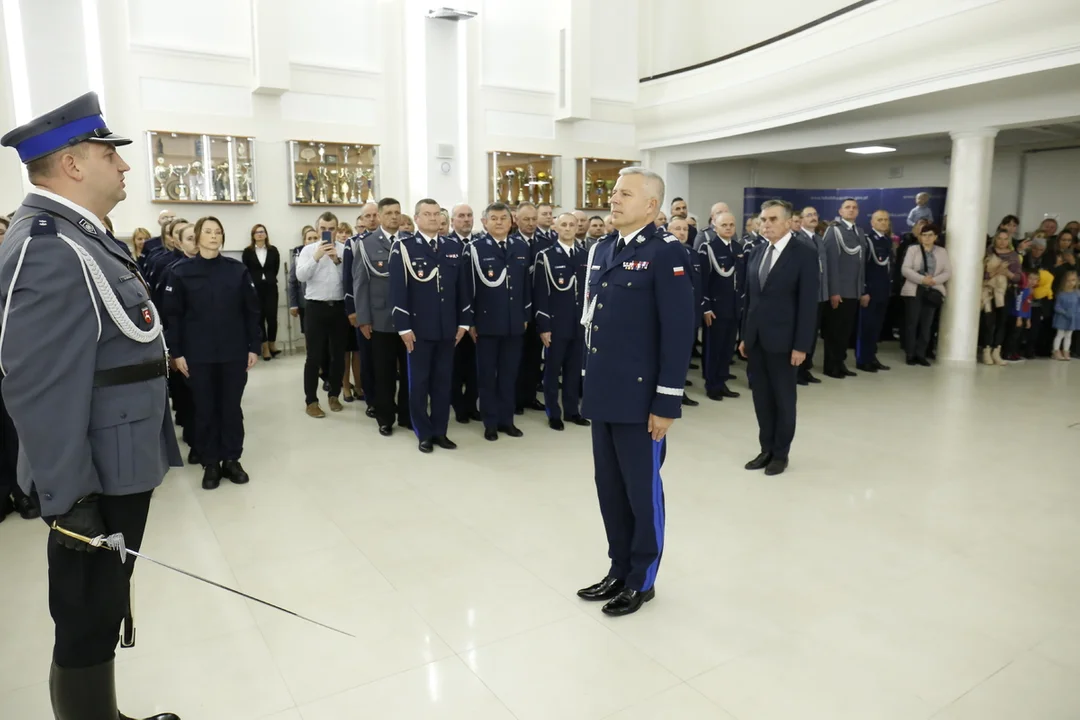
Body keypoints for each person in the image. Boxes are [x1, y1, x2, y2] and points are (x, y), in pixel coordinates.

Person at [0, 91, 182, 720]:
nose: (124, 165)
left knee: (101, 605)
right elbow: (36, 384)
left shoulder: (83, 236)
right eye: (111, 153)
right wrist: (72, 499)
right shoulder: (48, 242)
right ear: (74, 165)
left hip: (118, 458)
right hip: (92, 476)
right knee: (85, 613)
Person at [575, 167, 693, 617]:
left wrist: (666, 402)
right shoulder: (605, 247)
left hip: (642, 399)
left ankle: (642, 580)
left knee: (642, 493)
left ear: (651, 206)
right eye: (614, 192)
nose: (614, 199)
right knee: (609, 488)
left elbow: (678, 332)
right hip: (604, 392)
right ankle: (618, 567)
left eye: (625, 194)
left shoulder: (666, 253)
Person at [164, 217, 260, 489]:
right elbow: (174, 316)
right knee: (204, 409)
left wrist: (254, 346)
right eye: (207, 231)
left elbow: (251, 311)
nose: (213, 236)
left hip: (233, 352)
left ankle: (231, 458)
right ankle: (210, 463)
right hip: (198, 354)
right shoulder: (180, 272)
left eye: (218, 232)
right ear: (197, 236)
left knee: (231, 408)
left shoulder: (236, 270)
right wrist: (177, 352)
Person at [738, 200, 818, 477]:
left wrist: (801, 345)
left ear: (787, 222)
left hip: (785, 342)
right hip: (757, 340)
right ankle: (766, 448)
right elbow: (750, 300)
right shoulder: (758, 252)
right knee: (761, 398)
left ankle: (781, 454)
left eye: (772, 219)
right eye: (763, 219)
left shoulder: (804, 254)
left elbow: (808, 305)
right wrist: (745, 336)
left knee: (783, 399)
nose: (766, 224)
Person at [389, 199, 471, 452]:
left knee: (442, 383)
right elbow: (398, 291)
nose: (433, 218)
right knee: (419, 383)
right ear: (417, 219)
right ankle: (423, 432)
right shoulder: (403, 247)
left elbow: (462, 288)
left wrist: (464, 321)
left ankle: (440, 431)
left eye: (437, 214)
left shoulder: (453, 246)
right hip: (418, 329)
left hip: (448, 328)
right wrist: (403, 327)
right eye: (427, 214)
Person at [466, 202, 531, 441]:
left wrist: (525, 315)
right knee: (487, 376)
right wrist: (470, 321)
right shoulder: (475, 248)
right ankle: (490, 422)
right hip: (487, 323)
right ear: (484, 222)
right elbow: (468, 287)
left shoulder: (521, 246)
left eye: (504, 218)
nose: (499, 222)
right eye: (494, 218)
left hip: (514, 323)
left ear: (511, 221)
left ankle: (507, 420)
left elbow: (525, 286)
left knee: (509, 374)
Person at [354, 199, 411, 435]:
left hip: (409, 320)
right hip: (381, 318)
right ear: (379, 216)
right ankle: (385, 417)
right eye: (389, 213)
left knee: (409, 372)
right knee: (384, 372)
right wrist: (364, 319)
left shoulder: (410, 242)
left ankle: (408, 415)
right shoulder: (367, 244)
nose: (394, 217)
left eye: (397, 213)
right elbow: (360, 284)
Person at [534, 212, 590, 430]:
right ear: (555, 228)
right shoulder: (546, 256)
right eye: (563, 224)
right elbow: (541, 294)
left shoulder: (585, 255)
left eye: (572, 225)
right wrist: (544, 326)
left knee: (574, 370)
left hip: (579, 324)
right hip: (556, 325)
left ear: (577, 227)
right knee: (552, 370)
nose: (568, 228)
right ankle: (553, 413)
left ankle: (572, 410)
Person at [296, 212, 350, 418]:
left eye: (331, 229)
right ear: (317, 229)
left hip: (338, 307)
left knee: (338, 355)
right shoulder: (308, 250)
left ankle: (334, 395)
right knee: (314, 356)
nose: (327, 232)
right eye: (323, 229)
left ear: (337, 229)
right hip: (315, 307)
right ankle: (311, 401)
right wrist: (317, 257)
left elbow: (349, 281)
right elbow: (301, 275)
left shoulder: (345, 250)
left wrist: (337, 261)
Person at [699, 211, 745, 401]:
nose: (728, 228)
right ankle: (712, 385)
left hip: (734, 306)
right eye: (724, 225)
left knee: (727, 348)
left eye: (731, 225)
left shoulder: (737, 247)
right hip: (716, 308)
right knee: (713, 348)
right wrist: (706, 307)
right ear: (715, 227)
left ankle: (722, 381)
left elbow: (741, 279)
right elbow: (703, 281)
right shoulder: (708, 248)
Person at [821, 198, 868, 378]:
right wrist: (833, 290)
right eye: (847, 207)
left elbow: (861, 264)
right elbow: (830, 263)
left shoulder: (860, 232)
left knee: (845, 331)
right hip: (839, 290)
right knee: (834, 330)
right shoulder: (834, 231)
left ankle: (840, 363)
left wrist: (861, 290)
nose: (851, 210)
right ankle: (831, 366)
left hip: (853, 290)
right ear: (840, 211)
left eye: (854, 208)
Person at [900, 223, 951, 366]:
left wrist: (932, 281)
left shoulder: (942, 252)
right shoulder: (913, 250)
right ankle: (910, 354)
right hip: (914, 289)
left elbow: (947, 272)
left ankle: (921, 354)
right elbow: (905, 269)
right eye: (924, 235)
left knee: (926, 325)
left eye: (930, 235)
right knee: (912, 323)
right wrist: (922, 279)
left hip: (932, 290)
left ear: (935, 237)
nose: (926, 238)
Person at [512, 202, 546, 415]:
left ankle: (530, 395)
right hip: (517, 308)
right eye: (526, 219)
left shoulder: (545, 242)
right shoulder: (511, 243)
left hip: (539, 307)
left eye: (534, 219)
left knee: (535, 355)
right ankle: (515, 398)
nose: (531, 223)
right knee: (517, 356)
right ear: (516, 220)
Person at [448, 204, 481, 423]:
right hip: (454, 317)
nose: (466, 220)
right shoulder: (445, 245)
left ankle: (471, 405)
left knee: (475, 367)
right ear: (452, 221)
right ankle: (458, 406)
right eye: (461, 216)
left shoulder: (480, 245)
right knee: (455, 367)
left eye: (469, 216)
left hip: (479, 317)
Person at [856, 210, 894, 372]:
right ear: (872, 223)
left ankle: (872, 356)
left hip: (883, 291)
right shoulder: (867, 241)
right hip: (870, 292)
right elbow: (862, 268)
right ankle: (863, 360)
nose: (883, 222)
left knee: (876, 327)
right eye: (880, 220)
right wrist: (863, 291)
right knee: (866, 327)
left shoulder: (887, 240)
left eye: (886, 220)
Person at [793, 206, 826, 385]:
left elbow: (824, 269)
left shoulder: (819, 239)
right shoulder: (798, 239)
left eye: (815, 214)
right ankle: (798, 371)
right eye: (809, 215)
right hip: (805, 294)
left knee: (813, 334)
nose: (813, 218)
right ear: (801, 220)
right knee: (804, 333)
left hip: (819, 293)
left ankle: (806, 369)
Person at [979, 230, 1022, 366]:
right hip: (988, 291)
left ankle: (996, 351)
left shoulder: (1013, 256)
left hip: (1005, 292)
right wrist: (996, 272)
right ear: (995, 239)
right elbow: (980, 273)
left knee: (1001, 322)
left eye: (1005, 239)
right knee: (988, 322)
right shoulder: (988, 253)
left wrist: (1006, 272)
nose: (1002, 242)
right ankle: (986, 350)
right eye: (1000, 238)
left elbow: (1018, 277)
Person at [241, 223, 281, 361]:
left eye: (262, 231)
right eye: (257, 232)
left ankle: (272, 344)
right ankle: (264, 348)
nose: (260, 234)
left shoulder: (273, 250)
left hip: (270, 287)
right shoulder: (248, 252)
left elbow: (276, 268)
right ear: (253, 235)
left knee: (272, 318)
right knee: (259, 318)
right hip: (255, 289)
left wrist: (268, 278)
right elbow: (245, 270)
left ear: (266, 234)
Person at [334, 222, 362, 402]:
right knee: (344, 352)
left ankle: (359, 385)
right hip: (341, 306)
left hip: (358, 305)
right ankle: (345, 386)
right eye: (340, 232)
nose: (344, 235)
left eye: (347, 232)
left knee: (358, 351)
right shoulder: (332, 251)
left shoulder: (357, 248)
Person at [288, 225, 317, 334]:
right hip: (305, 302)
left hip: (322, 303)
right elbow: (292, 281)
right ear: (304, 242)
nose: (313, 241)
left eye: (315, 238)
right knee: (308, 333)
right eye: (309, 239)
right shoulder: (298, 258)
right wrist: (293, 303)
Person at [1051, 270, 1080, 360]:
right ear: (1064, 281)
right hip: (1062, 318)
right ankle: (1056, 351)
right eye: (1068, 280)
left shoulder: (1077, 293)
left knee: (1068, 335)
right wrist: (1064, 312)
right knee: (1060, 334)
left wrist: (1076, 313)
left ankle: (1066, 351)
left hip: (1073, 318)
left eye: (1073, 280)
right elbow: (1057, 306)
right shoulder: (1061, 293)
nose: (1071, 283)